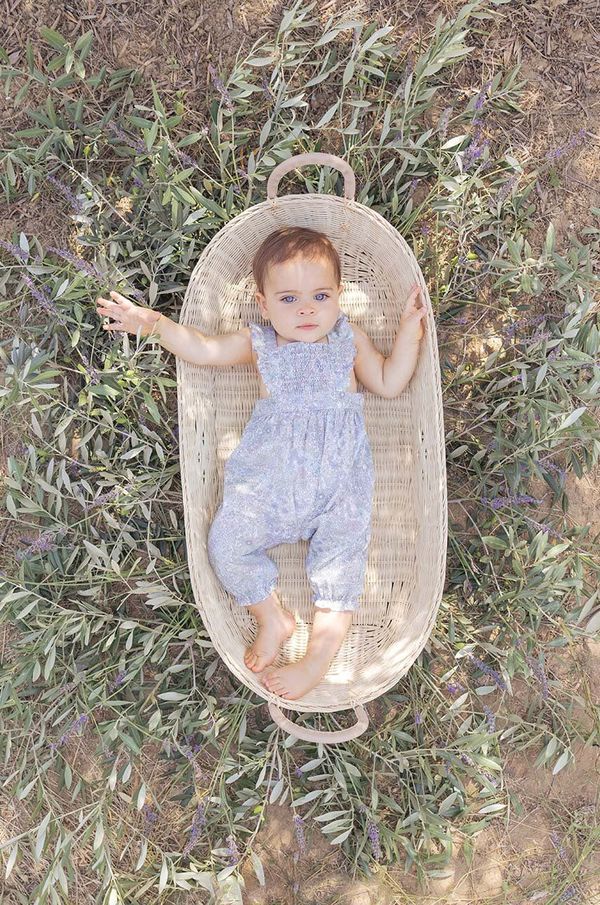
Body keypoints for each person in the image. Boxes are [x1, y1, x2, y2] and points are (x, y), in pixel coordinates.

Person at [96, 226, 426, 701]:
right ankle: (273, 616)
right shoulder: (261, 343)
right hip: (269, 490)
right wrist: (152, 324)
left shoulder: (347, 339)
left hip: (339, 488)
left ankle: (316, 661)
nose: (307, 309)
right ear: (264, 304)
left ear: (339, 297)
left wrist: (409, 333)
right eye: (289, 299)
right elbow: (204, 350)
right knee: (225, 545)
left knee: (342, 572)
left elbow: (391, 382)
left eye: (320, 295)